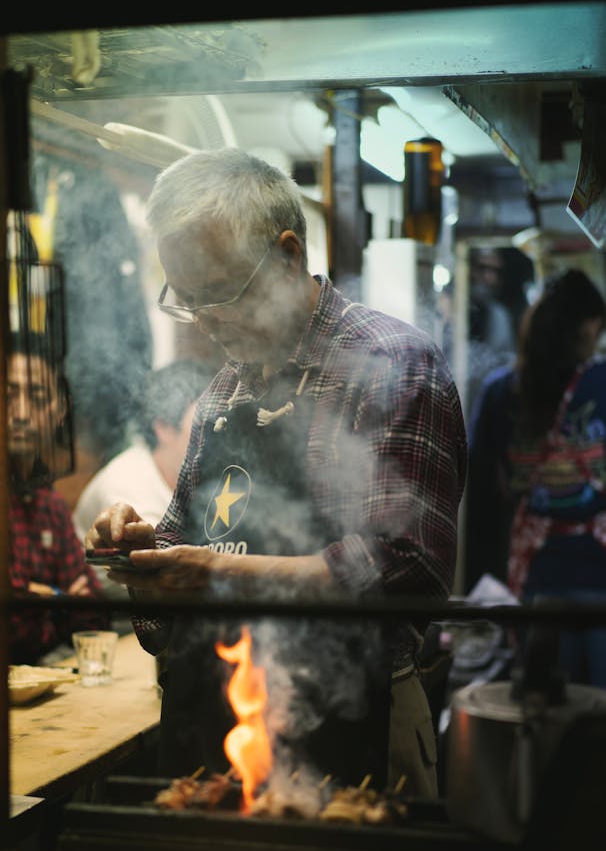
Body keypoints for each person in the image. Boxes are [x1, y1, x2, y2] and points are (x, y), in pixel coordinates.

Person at [85, 148, 466, 797]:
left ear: (289, 257)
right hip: (222, 728)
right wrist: (144, 556)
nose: (203, 322)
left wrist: (217, 573)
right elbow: (183, 566)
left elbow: (405, 569)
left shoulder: (391, 364)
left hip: (356, 737)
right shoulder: (225, 390)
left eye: (221, 293)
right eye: (188, 298)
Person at [466, 267, 606, 687]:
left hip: (534, 579)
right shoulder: (603, 382)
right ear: (586, 326)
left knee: (545, 718)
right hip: (600, 576)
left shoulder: (499, 391)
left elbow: (486, 497)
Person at [7, 343, 105, 665]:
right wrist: (61, 605)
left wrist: (44, 601)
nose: (21, 414)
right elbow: (8, 625)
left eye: (36, 398)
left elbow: (93, 613)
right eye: (8, 395)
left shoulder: (51, 504)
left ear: (59, 410)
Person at [73, 359, 214, 542]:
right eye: (208, 422)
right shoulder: (126, 486)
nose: (221, 431)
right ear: (164, 427)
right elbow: (166, 564)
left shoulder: (206, 478)